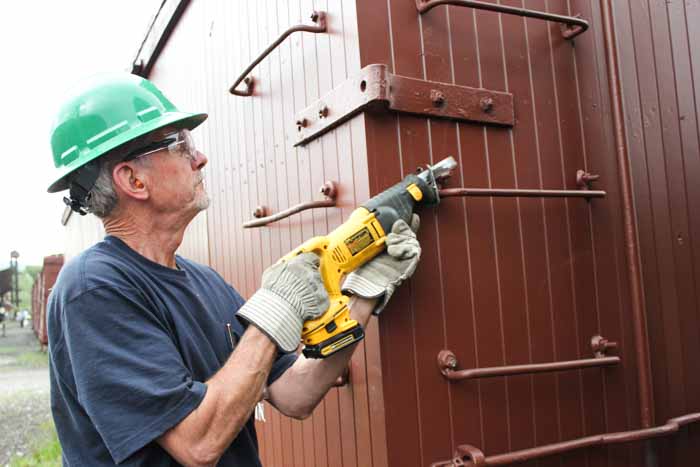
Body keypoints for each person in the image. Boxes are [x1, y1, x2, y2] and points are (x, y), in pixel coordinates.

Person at [46, 73, 421, 466]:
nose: (199, 158)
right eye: (181, 144)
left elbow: (296, 394)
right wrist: (276, 310)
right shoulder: (94, 290)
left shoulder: (206, 283)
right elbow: (198, 444)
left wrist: (363, 292)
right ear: (133, 179)